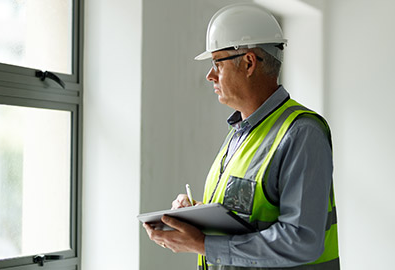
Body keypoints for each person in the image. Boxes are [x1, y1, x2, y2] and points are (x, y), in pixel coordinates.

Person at [143, 3, 339, 269]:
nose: (210, 75)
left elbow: (302, 240)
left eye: (217, 63)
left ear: (249, 62)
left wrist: (202, 244)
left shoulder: (301, 133)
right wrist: (197, 217)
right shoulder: (240, 134)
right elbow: (250, 216)